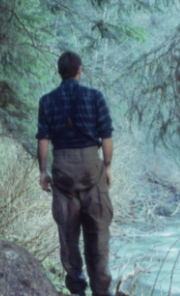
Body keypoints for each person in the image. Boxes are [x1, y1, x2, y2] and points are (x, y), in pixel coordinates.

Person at [37, 51, 114, 296]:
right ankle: (100, 291)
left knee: (68, 235)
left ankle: (77, 290)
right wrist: (108, 167)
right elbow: (107, 137)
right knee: (98, 233)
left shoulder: (47, 101)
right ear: (80, 70)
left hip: (62, 170)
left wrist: (42, 171)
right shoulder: (95, 96)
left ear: (60, 72)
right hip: (92, 167)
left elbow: (44, 140)